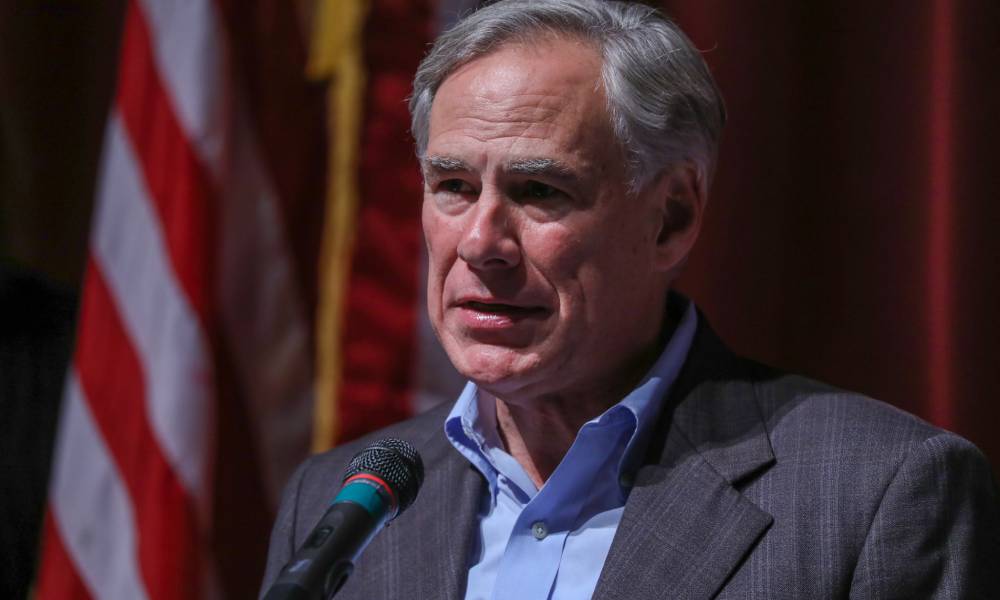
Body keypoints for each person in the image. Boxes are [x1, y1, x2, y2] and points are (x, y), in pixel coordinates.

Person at [261, 1, 999, 598]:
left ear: (671, 217)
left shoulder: (879, 494)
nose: (481, 242)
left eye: (540, 190)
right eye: (452, 185)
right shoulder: (343, 499)